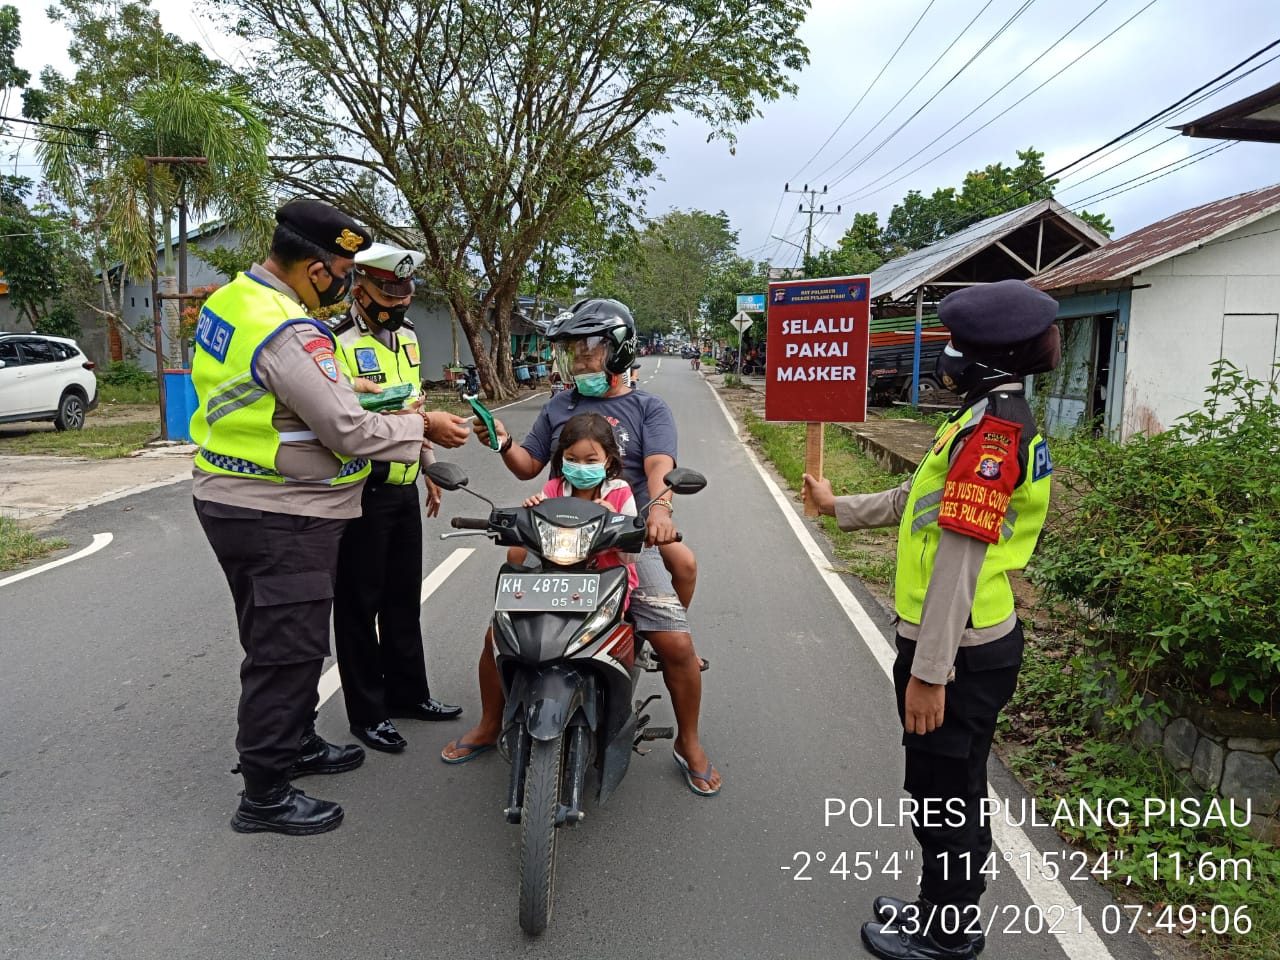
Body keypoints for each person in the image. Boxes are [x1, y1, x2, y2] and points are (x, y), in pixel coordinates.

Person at [190, 198, 471, 837]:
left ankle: (298, 742)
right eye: (345, 268)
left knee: (274, 636)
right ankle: (264, 792)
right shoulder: (290, 330)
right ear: (320, 270)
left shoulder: (233, 300)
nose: (348, 280)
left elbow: (283, 399)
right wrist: (421, 425)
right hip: (280, 511)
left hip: (242, 496)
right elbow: (344, 428)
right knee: (287, 652)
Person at [802, 279, 1061, 960]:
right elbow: (919, 499)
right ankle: (939, 905)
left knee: (942, 795)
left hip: (961, 646)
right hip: (968, 640)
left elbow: (959, 558)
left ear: (988, 357)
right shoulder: (979, 421)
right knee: (956, 786)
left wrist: (931, 673)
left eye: (957, 344)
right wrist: (840, 507)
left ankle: (948, 932)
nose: (943, 355)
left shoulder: (993, 438)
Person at [441, 298, 721, 797]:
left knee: (676, 644)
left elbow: (658, 466)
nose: (580, 360)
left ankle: (689, 742)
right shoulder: (560, 405)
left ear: (619, 350)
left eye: (590, 348)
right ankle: (490, 723)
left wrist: (658, 511)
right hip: (557, 533)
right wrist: (503, 441)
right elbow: (529, 466)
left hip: (625, 537)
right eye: (574, 350)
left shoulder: (648, 407)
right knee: (498, 635)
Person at [329, 242, 463, 756]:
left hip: (403, 485)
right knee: (359, 606)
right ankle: (367, 713)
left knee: (403, 599)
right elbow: (348, 419)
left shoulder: (406, 338)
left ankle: (409, 694)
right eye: (389, 290)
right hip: (359, 489)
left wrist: (427, 467)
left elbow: (411, 409)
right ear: (359, 289)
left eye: (405, 290)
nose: (400, 300)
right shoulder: (336, 342)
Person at [508, 412, 639, 597]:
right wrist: (532, 512)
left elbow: (631, 557)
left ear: (608, 461)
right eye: (571, 459)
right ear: (562, 457)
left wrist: (616, 522)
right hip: (556, 580)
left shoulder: (621, 493)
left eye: (591, 461)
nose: (580, 467)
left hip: (609, 582)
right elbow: (538, 541)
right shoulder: (553, 490)